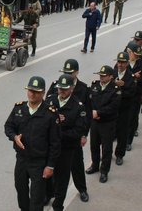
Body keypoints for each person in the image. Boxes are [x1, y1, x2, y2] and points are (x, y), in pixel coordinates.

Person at [4, 76, 60, 211]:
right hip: (22, 160)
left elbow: (55, 143)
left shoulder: (50, 114)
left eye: (36, 91)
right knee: (21, 191)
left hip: (39, 163)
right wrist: (14, 137)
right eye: (30, 90)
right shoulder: (19, 108)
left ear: (43, 93)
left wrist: (50, 166)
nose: (32, 94)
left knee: (36, 198)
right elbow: (8, 126)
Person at [45, 74, 87, 211]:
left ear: (72, 89)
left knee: (62, 179)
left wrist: (58, 132)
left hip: (66, 149)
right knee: (48, 174)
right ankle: (48, 195)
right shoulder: (50, 100)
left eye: (65, 89)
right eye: (59, 88)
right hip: (50, 147)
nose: (61, 91)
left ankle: (58, 205)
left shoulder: (78, 106)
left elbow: (77, 132)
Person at [86, 65, 120, 183]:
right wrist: (92, 113)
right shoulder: (95, 86)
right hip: (95, 122)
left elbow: (114, 106)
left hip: (107, 122)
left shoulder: (115, 89)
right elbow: (89, 101)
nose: (101, 77)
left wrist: (99, 113)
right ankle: (95, 165)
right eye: (100, 75)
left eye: (104, 76)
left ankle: (104, 171)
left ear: (111, 77)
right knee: (94, 145)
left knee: (106, 148)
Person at [112, 51, 135, 166]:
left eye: (122, 63)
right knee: (109, 133)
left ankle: (119, 155)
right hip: (112, 109)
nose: (120, 65)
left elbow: (131, 93)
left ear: (127, 63)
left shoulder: (130, 76)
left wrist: (123, 85)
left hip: (124, 109)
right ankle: (106, 153)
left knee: (122, 133)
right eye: (119, 62)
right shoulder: (112, 73)